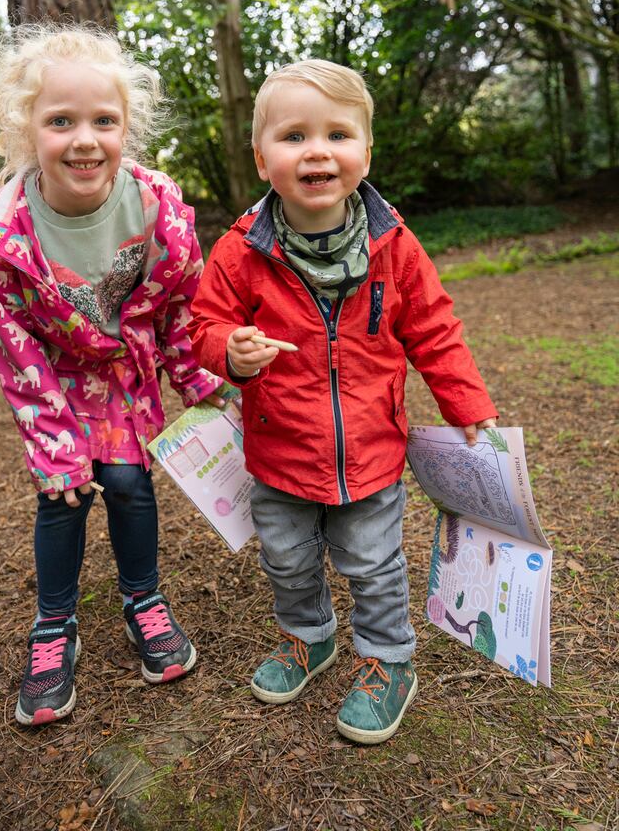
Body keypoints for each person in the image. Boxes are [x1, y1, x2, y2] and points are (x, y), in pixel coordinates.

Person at [188, 59, 497, 745]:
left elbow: (434, 329)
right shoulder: (242, 251)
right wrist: (228, 352)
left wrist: (466, 402)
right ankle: (309, 638)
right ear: (263, 156)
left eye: (338, 133)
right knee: (288, 559)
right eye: (294, 136)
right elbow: (204, 324)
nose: (318, 150)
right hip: (278, 449)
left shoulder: (394, 245)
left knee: (373, 565)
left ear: (365, 150)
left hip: (371, 449)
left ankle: (389, 661)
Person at [0, 24, 223, 726]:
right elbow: (15, 348)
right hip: (54, 376)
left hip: (125, 370)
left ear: (126, 128)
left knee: (129, 483)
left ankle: (144, 600)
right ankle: (54, 626)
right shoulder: (0, 234)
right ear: (24, 132)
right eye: (60, 121)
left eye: (104, 121)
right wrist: (55, 446)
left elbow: (178, 303)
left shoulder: (156, 204)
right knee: (63, 495)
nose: (84, 139)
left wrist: (199, 381)